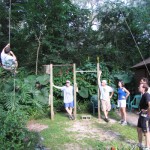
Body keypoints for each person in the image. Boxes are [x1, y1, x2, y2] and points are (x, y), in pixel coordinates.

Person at [137, 83, 150, 149]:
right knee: (139, 129)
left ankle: (147, 147)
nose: (139, 87)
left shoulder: (147, 95)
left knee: (146, 132)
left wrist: (146, 111)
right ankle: (140, 144)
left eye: (140, 86)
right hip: (141, 116)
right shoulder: (143, 95)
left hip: (145, 117)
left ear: (144, 88)